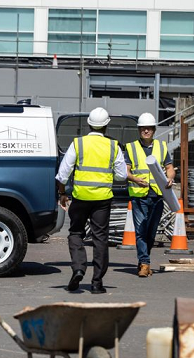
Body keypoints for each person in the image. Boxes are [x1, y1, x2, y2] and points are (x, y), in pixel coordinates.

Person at [56, 107, 127, 294]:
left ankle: (79, 268)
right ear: (106, 126)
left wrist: (62, 194)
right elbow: (121, 176)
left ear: (89, 124)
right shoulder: (113, 146)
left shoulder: (78, 144)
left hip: (80, 197)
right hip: (102, 199)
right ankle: (97, 283)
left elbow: (62, 175)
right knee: (100, 238)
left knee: (76, 233)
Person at [125, 112, 176, 278]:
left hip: (157, 195)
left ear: (154, 130)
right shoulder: (131, 147)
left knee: (151, 232)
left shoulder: (162, 146)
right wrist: (135, 179)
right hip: (139, 195)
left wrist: (170, 178)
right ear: (139, 130)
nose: (146, 131)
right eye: (143, 128)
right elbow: (126, 171)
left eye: (149, 128)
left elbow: (169, 168)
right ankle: (145, 263)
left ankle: (143, 261)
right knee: (140, 230)